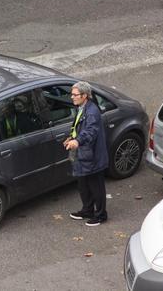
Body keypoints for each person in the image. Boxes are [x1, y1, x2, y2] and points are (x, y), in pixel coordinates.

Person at [63, 81, 109, 227]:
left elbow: (91, 131)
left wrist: (78, 142)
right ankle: (87, 210)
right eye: (72, 94)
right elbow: (78, 127)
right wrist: (72, 138)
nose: (72, 97)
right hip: (83, 155)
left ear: (85, 96)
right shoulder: (81, 108)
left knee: (96, 187)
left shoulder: (92, 112)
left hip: (93, 157)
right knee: (83, 185)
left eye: (75, 95)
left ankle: (101, 215)